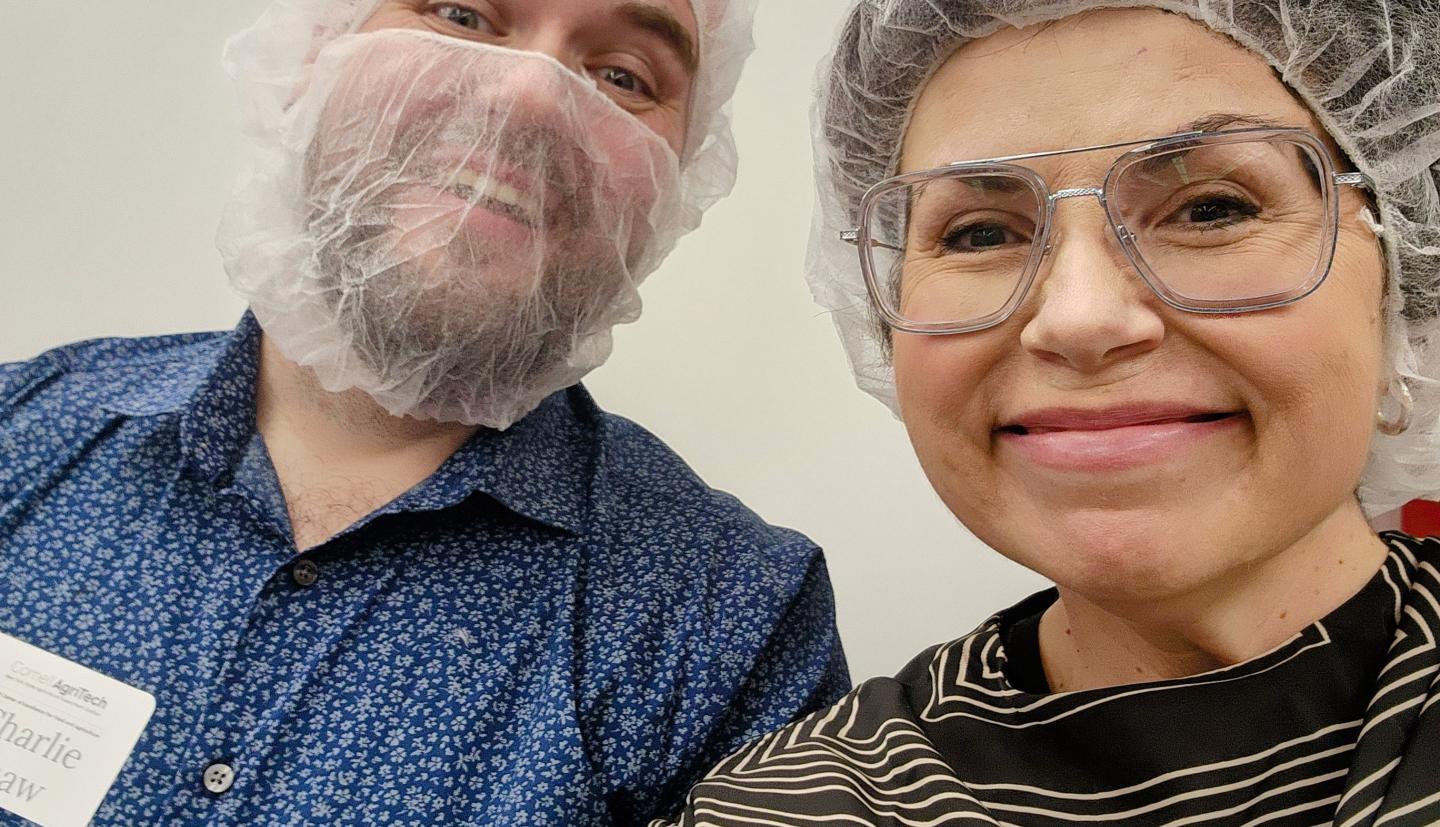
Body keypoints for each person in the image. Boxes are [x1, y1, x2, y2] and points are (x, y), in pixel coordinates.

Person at [0, 1, 850, 823]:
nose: (531, 96)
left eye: (623, 76)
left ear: (675, 190)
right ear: (311, 52)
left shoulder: (730, 622)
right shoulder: (21, 429)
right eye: (462, 16)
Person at [654, 0, 1440, 824]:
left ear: (1404, 281)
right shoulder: (793, 806)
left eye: (1212, 207)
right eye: (980, 232)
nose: (1079, 319)